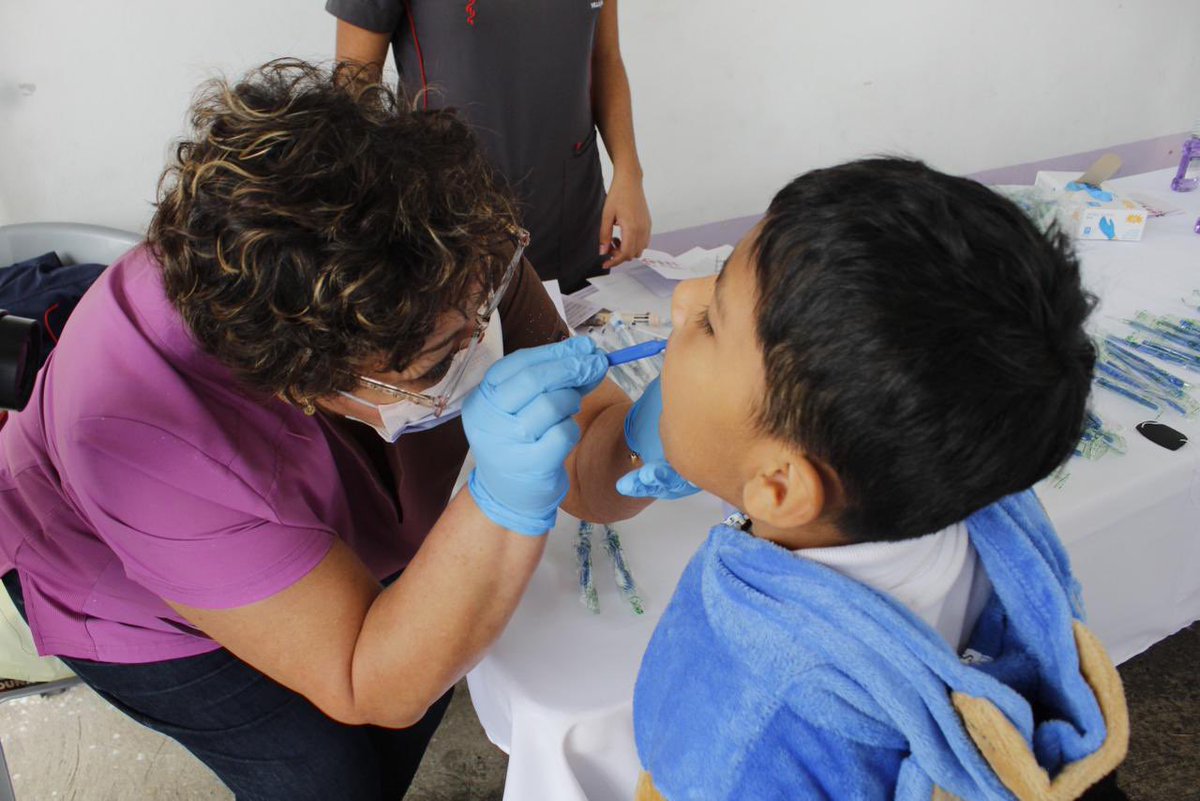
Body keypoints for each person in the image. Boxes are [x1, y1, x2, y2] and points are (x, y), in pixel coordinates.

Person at [0, 60, 670, 801]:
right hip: (126, 581)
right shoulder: (146, 430)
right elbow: (367, 679)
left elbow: (592, 454)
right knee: (325, 774)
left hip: (322, 483)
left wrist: (657, 432)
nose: (482, 339)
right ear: (304, 385)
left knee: (425, 649)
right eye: (436, 359)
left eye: (486, 300)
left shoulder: (447, 246)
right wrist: (497, 500)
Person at [626, 159, 1130, 800]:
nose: (682, 297)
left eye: (711, 322)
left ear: (779, 487)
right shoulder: (963, 488)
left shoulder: (754, 711)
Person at [328, 0, 651, 292]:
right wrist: (364, 214)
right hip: (448, 222)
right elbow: (354, 87)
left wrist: (629, 173)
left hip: (571, 217)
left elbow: (605, 58)